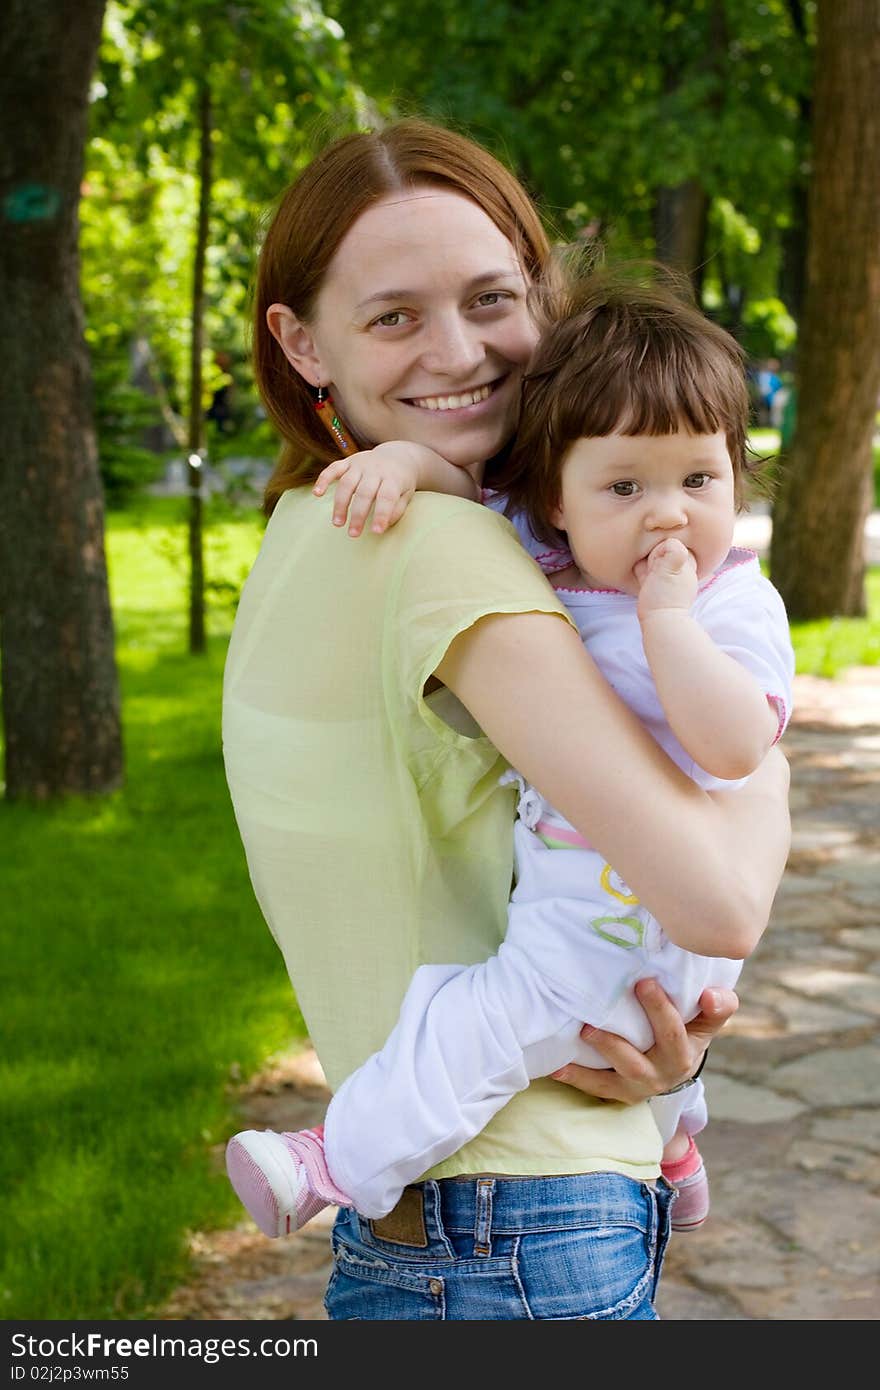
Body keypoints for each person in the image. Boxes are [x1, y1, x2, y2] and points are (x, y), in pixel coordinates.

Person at [221, 120, 791, 1320]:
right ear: (299, 340)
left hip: (466, 1212)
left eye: (492, 297)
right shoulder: (438, 549)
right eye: (393, 316)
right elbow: (722, 895)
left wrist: (670, 1066)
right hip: (511, 1217)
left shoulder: (309, 533)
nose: (460, 351)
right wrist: (769, 761)